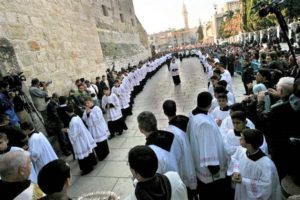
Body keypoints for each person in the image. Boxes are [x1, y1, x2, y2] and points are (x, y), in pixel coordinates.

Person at [187, 92, 227, 200]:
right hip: (210, 175)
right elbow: (207, 149)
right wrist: (215, 170)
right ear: (209, 105)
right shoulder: (205, 125)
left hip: (200, 168)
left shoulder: (193, 114)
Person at [230, 129, 281, 200]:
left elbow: (266, 187)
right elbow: (236, 160)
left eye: (242, 138)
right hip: (241, 191)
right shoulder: (242, 151)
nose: (239, 139)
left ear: (249, 145)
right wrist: (236, 171)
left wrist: (243, 181)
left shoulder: (266, 165)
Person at [162, 100, 198, 199]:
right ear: (176, 109)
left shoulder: (170, 133)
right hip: (195, 160)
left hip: (185, 167)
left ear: (164, 112)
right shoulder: (187, 120)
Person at [65, 105, 97, 175]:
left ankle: (87, 169)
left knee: (83, 154)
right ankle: (92, 163)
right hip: (83, 137)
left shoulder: (73, 121)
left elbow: (74, 134)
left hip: (80, 140)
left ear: (66, 112)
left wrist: (67, 130)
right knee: (87, 152)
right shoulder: (76, 116)